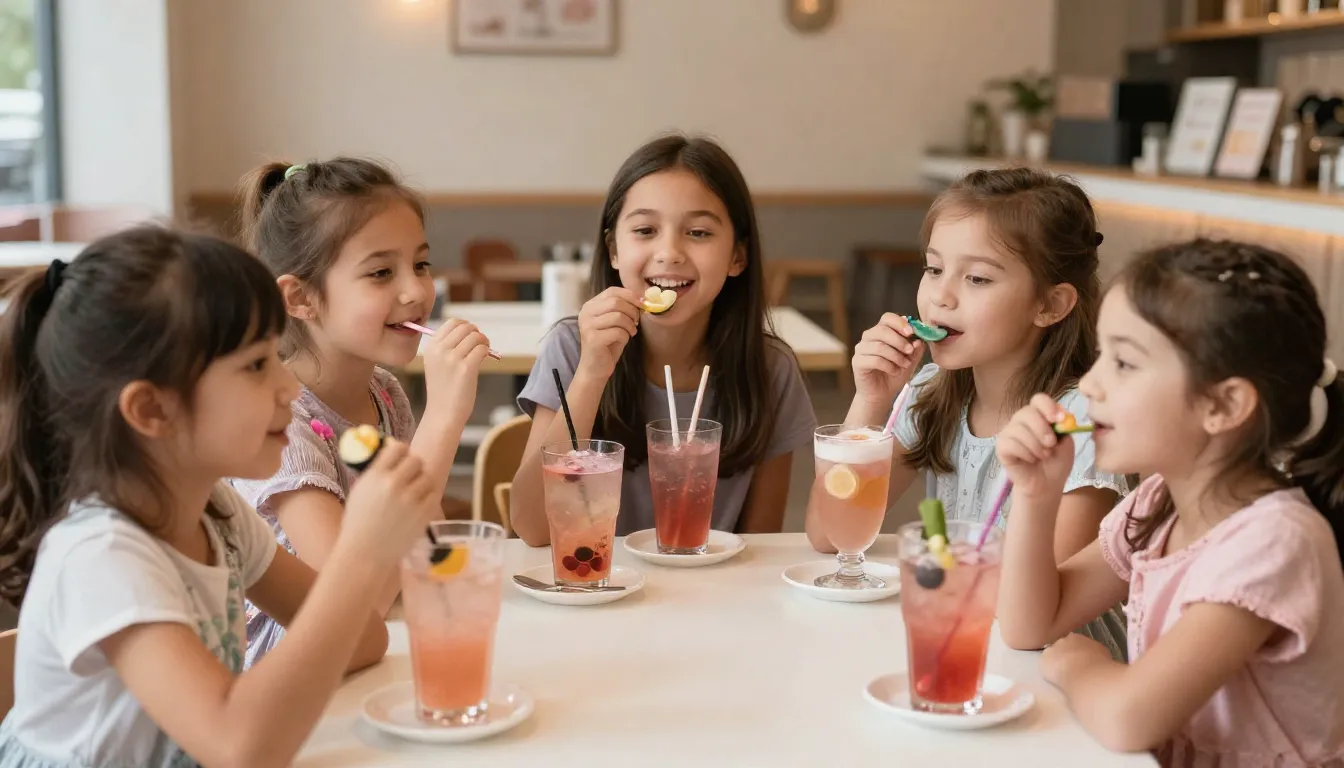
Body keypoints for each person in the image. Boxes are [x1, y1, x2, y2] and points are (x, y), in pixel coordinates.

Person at [0, 227, 439, 766]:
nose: (290, 388)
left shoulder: (217, 513)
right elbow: (239, 746)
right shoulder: (101, 555)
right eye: (256, 365)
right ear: (152, 410)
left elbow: (364, 642)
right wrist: (362, 553)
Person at [996, 240, 1344, 765]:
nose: (1090, 383)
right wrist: (1036, 495)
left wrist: (1078, 664)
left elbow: (1127, 718)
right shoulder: (1161, 501)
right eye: (1100, 356)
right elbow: (1029, 625)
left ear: (1223, 405)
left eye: (1125, 364)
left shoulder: (1275, 541)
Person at [811, 168, 1130, 660]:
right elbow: (831, 533)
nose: (942, 295)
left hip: (1055, 665)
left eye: (977, 278)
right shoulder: (931, 393)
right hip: (964, 641)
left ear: (1050, 304)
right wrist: (872, 398)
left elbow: (1036, 617)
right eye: (934, 269)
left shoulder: (1075, 424)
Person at [230, 158, 491, 665]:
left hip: (382, 651)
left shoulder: (384, 393)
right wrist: (443, 420)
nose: (416, 291)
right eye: (380, 273)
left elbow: (422, 538)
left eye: (420, 264)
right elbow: (351, 616)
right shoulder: (283, 424)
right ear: (301, 298)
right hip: (294, 676)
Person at [510, 134, 816, 544]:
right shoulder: (571, 348)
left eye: (699, 233)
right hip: (598, 590)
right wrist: (591, 375)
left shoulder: (770, 368)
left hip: (713, 596)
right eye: (645, 229)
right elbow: (531, 528)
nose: (669, 252)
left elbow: (761, 541)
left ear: (738, 257)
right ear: (614, 250)